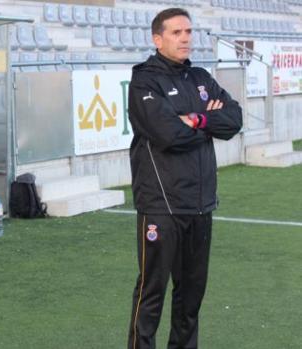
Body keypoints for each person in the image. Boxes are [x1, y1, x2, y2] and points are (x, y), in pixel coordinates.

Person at [126, 8, 243, 349]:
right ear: (157, 39)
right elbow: (167, 135)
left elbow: (233, 119)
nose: (186, 38)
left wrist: (196, 120)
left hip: (200, 204)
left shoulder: (201, 78)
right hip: (161, 204)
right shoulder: (145, 81)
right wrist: (206, 124)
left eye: (189, 31)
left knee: (191, 296)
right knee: (152, 292)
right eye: (177, 32)